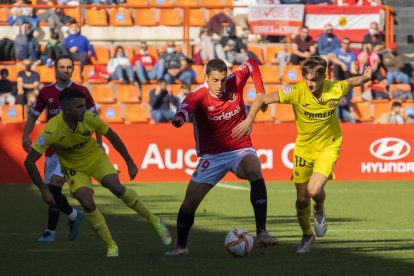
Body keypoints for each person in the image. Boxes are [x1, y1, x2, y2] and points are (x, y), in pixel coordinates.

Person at [232, 56, 372, 253]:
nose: (310, 83)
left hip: (328, 146)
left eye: (314, 79)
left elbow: (351, 82)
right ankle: (307, 235)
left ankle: (320, 210)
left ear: (325, 76)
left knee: (314, 191)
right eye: (306, 78)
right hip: (304, 149)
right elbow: (262, 98)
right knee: (301, 199)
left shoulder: (335, 88)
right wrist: (249, 121)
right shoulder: (296, 91)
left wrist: (365, 78)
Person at [24, 87, 172, 257]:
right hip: (74, 168)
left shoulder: (89, 118)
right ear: (65, 109)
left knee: (116, 188)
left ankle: (154, 220)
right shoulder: (52, 129)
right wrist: (43, 189)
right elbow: (29, 161)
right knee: (87, 202)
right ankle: (111, 245)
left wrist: (129, 161)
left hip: (96, 159)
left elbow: (112, 136)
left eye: (84, 105)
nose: (84, 109)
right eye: (79, 107)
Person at [165, 58, 277, 256]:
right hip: (212, 156)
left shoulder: (235, 80)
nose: (220, 85)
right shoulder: (197, 95)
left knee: (254, 169)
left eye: (223, 80)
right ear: (205, 77)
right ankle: (181, 246)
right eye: (215, 80)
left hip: (239, 149)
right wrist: (179, 118)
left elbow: (251, 63)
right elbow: (185, 108)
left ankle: (261, 232)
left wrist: (260, 93)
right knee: (189, 203)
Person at [22, 55, 95, 243]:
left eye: (69, 67)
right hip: (52, 149)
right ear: (55, 69)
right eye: (62, 67)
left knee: (54, 186)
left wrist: (100, 141)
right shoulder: (46, 93)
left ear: (73, 69)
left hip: (73, 149)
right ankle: (72, 215)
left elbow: (95, 118)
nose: (66, 70)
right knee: (52, 191)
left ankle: (50, 232)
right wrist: (25, 135)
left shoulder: (82, 90)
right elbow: (34, 115)